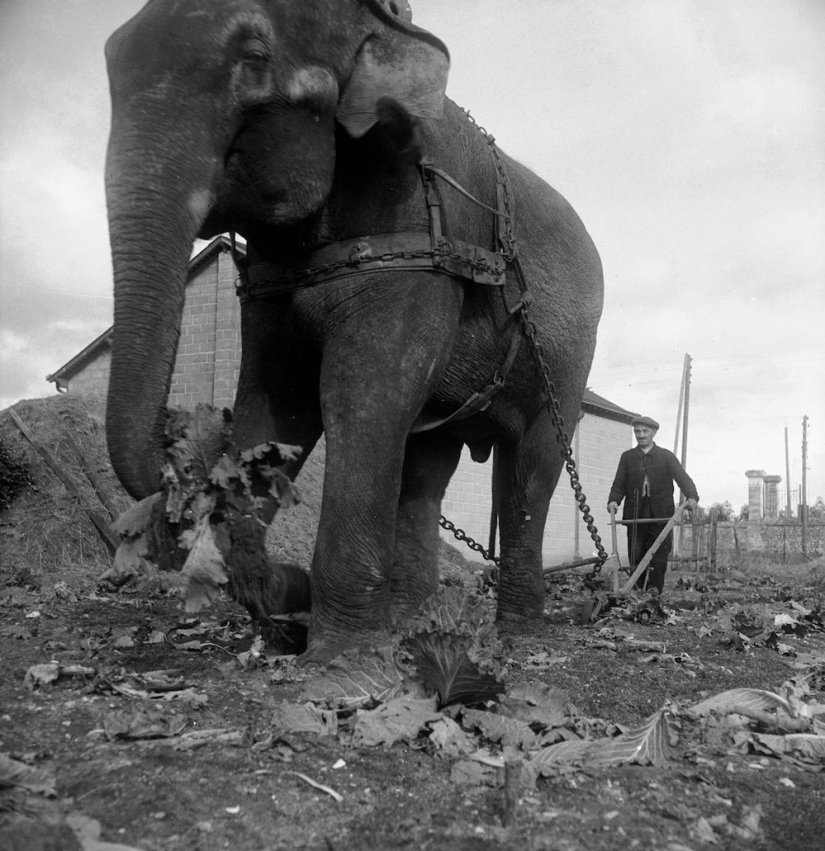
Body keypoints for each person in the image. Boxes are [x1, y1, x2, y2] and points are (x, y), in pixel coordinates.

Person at [607, 416, 699, 594]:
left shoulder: (666, 457)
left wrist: (692, 496)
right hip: (636, 515)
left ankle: (654, 593)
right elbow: (619, 483)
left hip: (661, 516)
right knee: (636, 554)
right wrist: (613, 500)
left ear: (654, 433)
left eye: (645, 431)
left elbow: (682, 478)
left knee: (658, 556)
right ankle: (636, 592)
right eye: (637, 432)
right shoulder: (627, 458)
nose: (641, 435)